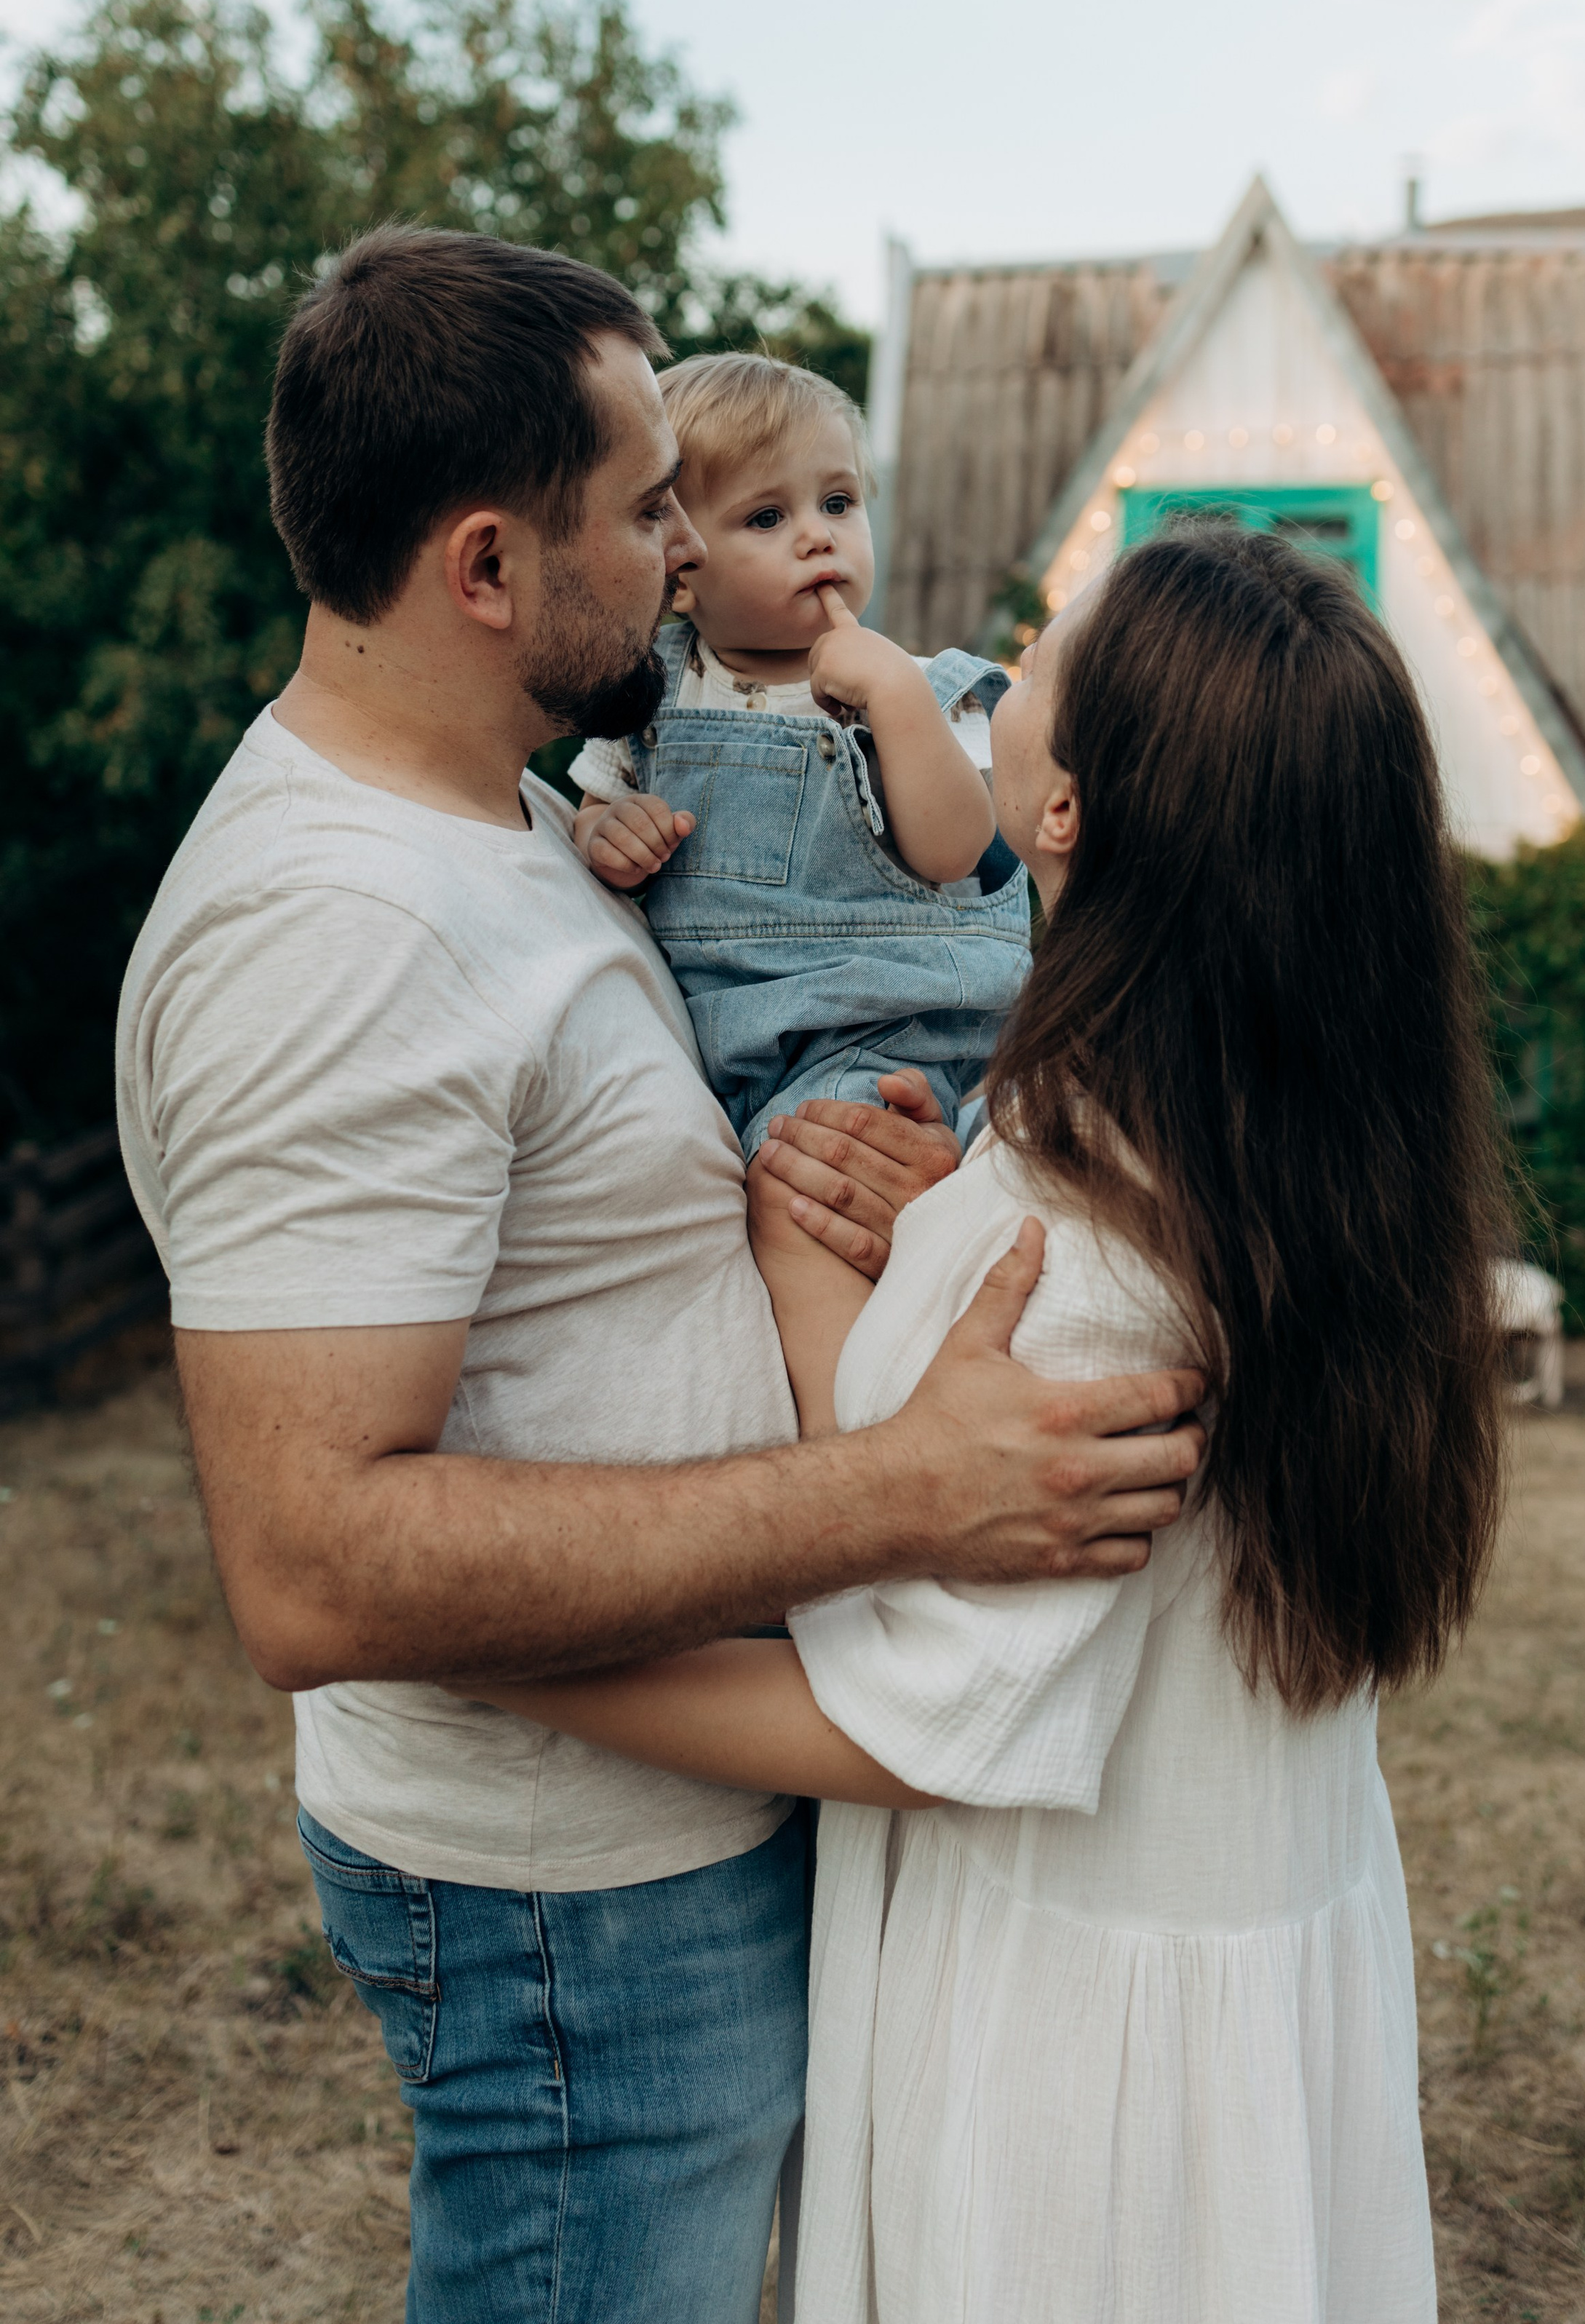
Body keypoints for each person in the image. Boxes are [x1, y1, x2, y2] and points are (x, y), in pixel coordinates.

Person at [114, 227, 1204, 2324]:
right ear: (489, 565)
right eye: (643, 515)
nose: (684, 560)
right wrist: (903, 1493)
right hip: (562, 1905)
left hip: (673, 1825)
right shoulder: (331, 933)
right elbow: (315, 1562)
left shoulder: (516, 818)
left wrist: (840, 1192)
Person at [460, 521, 1511, 2323]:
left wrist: (488, 1651)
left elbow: (921, 1718)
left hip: (1078, 2058)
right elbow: (947, 1463)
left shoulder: (1089, 1248)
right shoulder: (1296, 1155)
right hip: (1244, 1941)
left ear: (1067, 813)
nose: (990, 670)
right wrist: (848, 1245)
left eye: (1036, 658)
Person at [568, 352, 1029, 1157]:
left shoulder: (923, 687)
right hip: (709, 1036)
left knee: (805, 1183)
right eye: (766, 518)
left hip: (880, 1030)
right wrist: (612, 835)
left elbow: (959, 850)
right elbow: (592, 819)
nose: (819, 535)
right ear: (680, 572)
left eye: (839, 501)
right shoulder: (652, 693)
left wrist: (895, 701)